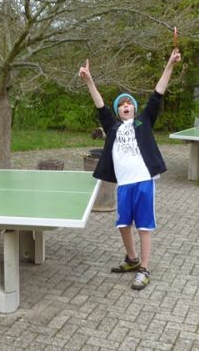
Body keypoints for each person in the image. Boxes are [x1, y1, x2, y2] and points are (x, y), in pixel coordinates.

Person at [78, 48, 181, 290]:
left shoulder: (143, 121)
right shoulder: (113, 127)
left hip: (143, 181)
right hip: (123, 184)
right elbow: (100, 104)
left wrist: (170, 64)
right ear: (117, 111)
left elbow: (158, 92)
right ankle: (132, 259)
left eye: (129, 103)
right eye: (121, 105)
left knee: (143, 225)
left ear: (134, 109)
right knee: (123, 224)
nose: (125, 106)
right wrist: (89, 81)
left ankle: (144, 269)